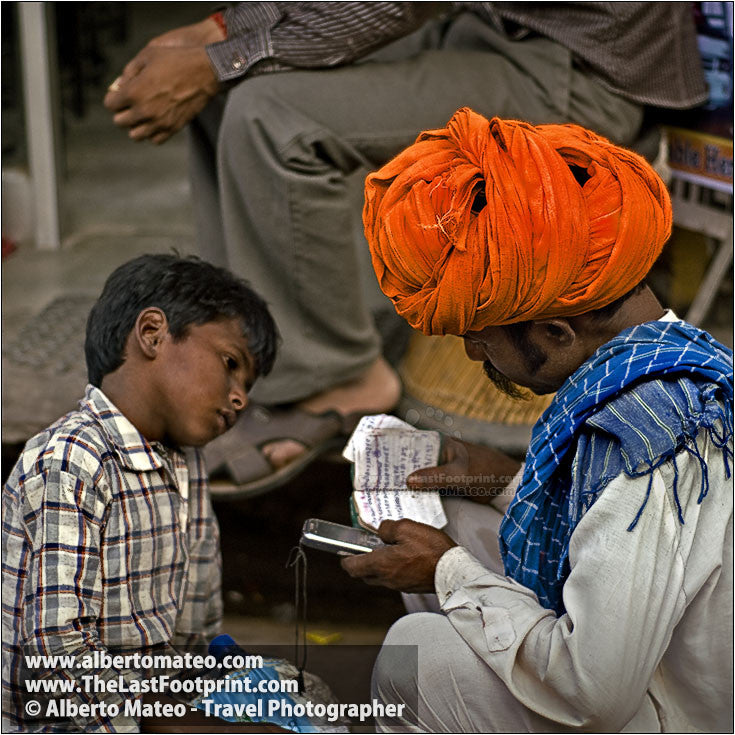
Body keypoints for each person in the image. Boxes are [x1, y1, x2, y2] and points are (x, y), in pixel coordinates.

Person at [104, 3, 707, 493]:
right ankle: (257, 335)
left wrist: (218, 53)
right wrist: (222, 33)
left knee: (272, 117)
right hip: (490, 23)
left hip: (584, 66)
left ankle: (339, 376)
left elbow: (394, 4)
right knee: (235, 90)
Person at [340, 110, 733, 732]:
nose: (473, 355)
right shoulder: (676, 357)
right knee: (450, 514)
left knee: (418, 652)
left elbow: (594, 692)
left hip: (674, 716)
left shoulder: (644, 443)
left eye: (480, 337)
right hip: (647, 667)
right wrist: (505, 483)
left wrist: (445, 572)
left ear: (554, 332)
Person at [1, 254, 277, 731]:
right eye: (230, 365)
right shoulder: (72, 461)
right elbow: (57, 654)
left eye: (247, 386)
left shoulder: (186, 467)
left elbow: (192, 635)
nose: (240, 399)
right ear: (152, 334)